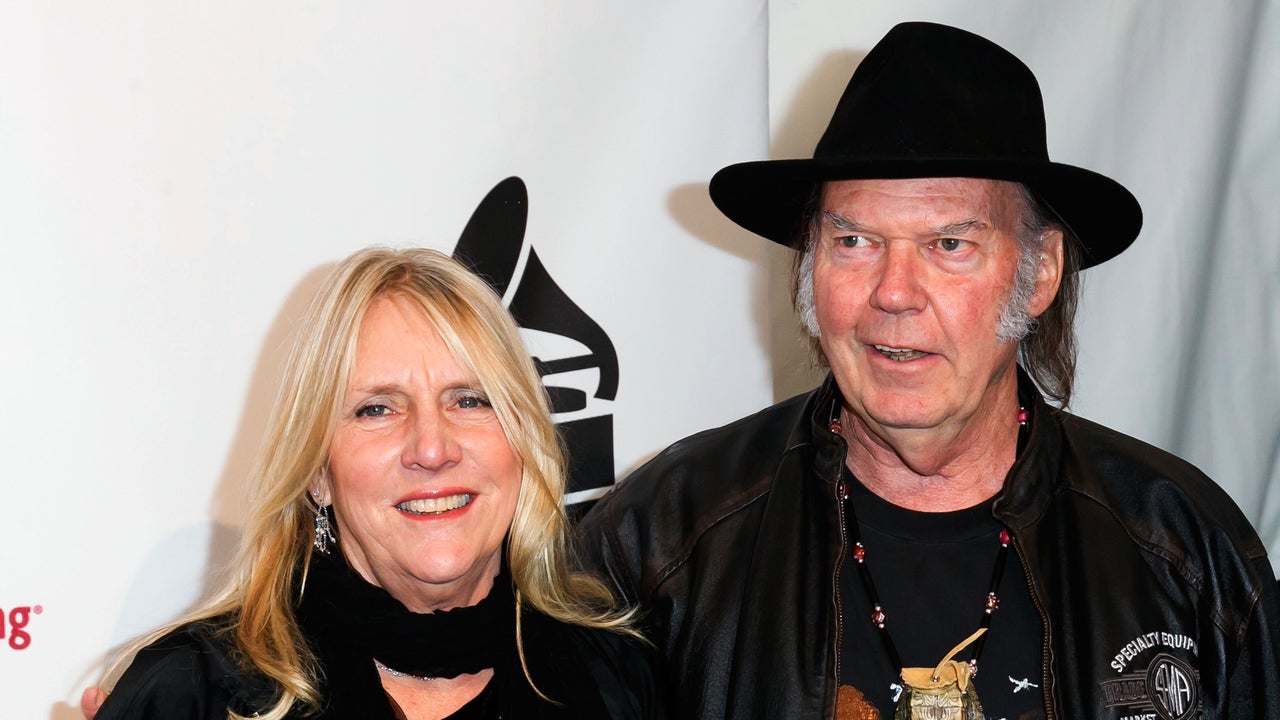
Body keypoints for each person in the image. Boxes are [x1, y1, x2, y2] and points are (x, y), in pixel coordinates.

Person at [577, 21, 1280, 720]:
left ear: (1040, 273)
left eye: (948, 243)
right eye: (853, 241)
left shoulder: (1185, 556)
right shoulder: (662, 539)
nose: (893, 292)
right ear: (809, 269)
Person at [86, 247, 665, 719]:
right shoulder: (192, 694)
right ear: (317, 472)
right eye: (376, 410)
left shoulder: (616, 679)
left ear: (523, 444)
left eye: (469, 400)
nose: (432, 449)